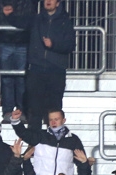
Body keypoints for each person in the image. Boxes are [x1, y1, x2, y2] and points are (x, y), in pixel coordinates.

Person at [25, 0, 75, 128]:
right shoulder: (36, 19)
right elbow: (20, 22)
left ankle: (53, 143)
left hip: (56, 70)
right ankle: (34, 144)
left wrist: (53, 45)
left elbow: (70, 45)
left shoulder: (65, 21)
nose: (48, 1)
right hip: (36, 69)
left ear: (58, 3)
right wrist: (8, 15)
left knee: (54, 109)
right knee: (35, 109)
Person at [0, 0, 36, 123]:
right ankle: (8, 111)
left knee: (21, 79)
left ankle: (21, 111)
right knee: (6, 79)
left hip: (23, 40)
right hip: (3, 39)